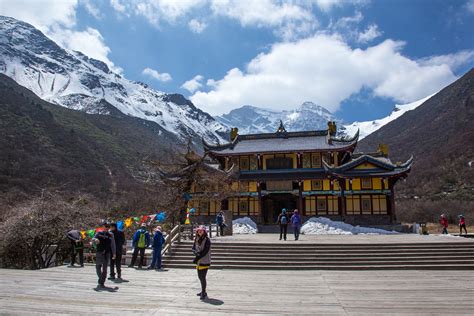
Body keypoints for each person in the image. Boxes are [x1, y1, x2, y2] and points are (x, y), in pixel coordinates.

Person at [92, 221, 116, 289]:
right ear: (103, 226)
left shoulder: (111, 234)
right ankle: (100, 278)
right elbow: (92, 239)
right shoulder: (99, 233)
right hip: (99, 252)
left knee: (105, 269)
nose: (107, 228)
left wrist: (114, 253)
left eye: (108, 227)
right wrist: (96, 239)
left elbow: (113, 244)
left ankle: (102, 282)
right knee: (98, 267)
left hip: (107, 253)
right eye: (106, 226)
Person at [192, 225, 211, 300]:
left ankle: (203, 292)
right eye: (199, 230)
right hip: (199, 260)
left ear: (204, 231)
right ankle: (203, 291)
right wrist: (195, 252)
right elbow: (193, 248)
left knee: (202, 277)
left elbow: (205, 251)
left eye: (201, 230)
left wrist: (198, 256)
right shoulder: (196, 238)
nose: (200, 231)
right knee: (200, 277)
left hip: (204, 260)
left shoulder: (207, 240)